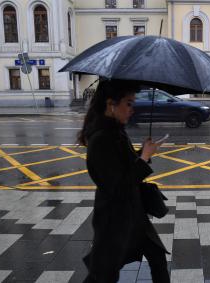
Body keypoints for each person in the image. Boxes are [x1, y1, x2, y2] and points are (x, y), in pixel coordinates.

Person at [78, 79, 170, 283]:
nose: (132, 109)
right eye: (128, 103)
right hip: (115, 220)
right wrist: (144, 157)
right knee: (103, 275)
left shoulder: (115, 132)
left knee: (157, 258)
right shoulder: (101, 139)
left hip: (132, 214)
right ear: (111, 104)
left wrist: (144, 152)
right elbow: (117, 186)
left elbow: (124, 167)